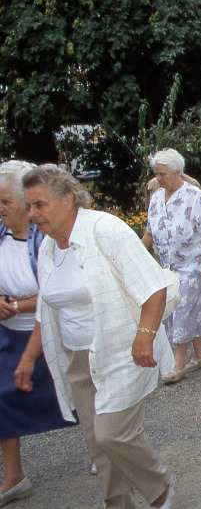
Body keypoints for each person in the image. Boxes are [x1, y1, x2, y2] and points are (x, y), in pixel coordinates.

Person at [15, 165, 175, 509]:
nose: (33, 214)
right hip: (78, 358)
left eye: (40, 205)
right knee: (97, 444)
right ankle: (117, 504)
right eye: (29, 206)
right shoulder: (47, 248)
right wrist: (29, 358)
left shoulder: (106, 229)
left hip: (123, 350)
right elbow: (47, 309)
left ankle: (159, 487)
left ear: (69, 199)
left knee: (112, 434)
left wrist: (145, 337)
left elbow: (154, 289)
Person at [0, 161, 74, 506]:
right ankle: (14, 475)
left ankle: (102, 452)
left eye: (5, 202)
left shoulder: (47, 237)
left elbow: (57, 290)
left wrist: (19, 304)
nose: (0, 209)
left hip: (52, 331)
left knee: (77, 394)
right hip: (10, 334)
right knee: (2, 398)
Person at [141, 149, 201, 383]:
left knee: (183, 310)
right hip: (168, 268)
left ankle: (178, 363)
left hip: (194, 267)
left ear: (178, 172)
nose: (158, 178)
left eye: (163, 174)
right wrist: (133, 253)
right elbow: (149, 233)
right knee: (177, 310)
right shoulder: (156, 197)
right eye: (156, 174)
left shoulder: (194, 196)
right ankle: (199, 355)